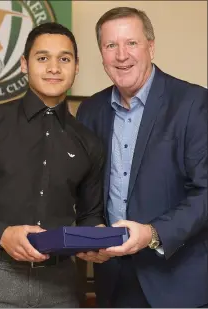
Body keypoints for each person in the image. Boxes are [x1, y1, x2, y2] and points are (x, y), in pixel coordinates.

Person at [76, 7, 208, 308]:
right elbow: (87, 191)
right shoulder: (90, 112)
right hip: (114, 281)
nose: (122, 55)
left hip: (179, 284)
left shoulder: (193, 103)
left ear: (151, 46)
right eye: (111, 45)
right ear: (101, 54)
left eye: (131, 43)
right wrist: (91, 231)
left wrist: (152, 233)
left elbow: (205, 192)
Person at [0, 22, 108, 308]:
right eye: (43, 58)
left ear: (76, 67)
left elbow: (90, 214)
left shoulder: (89, 141)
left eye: (64, 59)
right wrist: (2, 234)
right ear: (24, 64)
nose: (54, 68)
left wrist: (96, 239)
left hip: (61, 289)